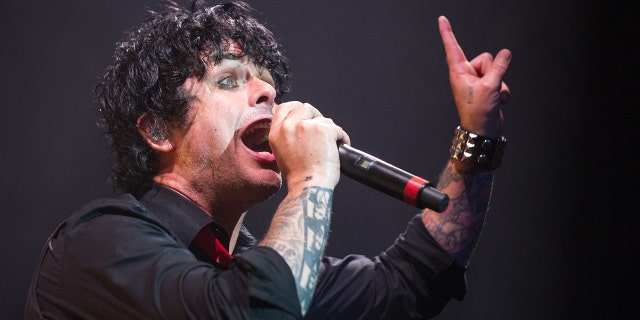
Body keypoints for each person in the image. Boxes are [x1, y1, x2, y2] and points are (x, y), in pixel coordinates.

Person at [25, 0, 512, 319]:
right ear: (156, 129)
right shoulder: (101, 239)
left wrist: (478, 136)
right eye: (230, 80)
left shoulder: (256, 266)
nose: (267, 94)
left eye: (267, 84)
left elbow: (411, 278)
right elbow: (253, 312)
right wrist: (310, 183)